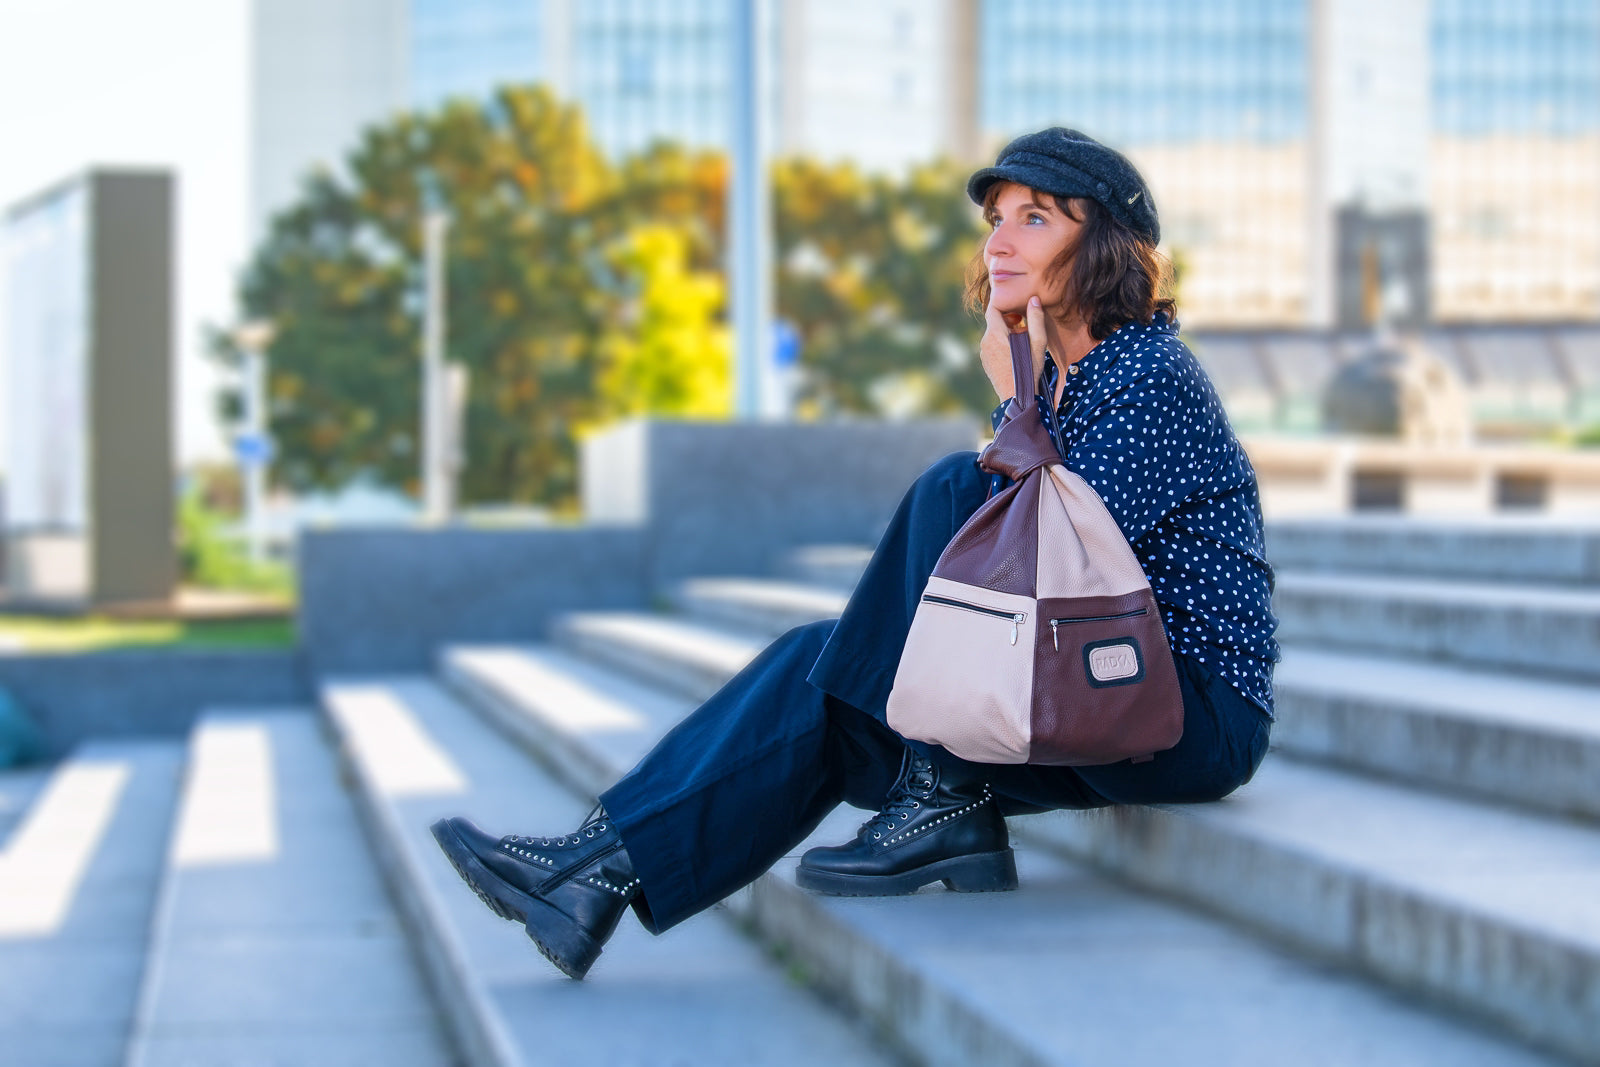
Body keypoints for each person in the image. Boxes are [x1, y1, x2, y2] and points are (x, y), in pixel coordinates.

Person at [431, 127, 1280, 980]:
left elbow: (1054, 557)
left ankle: (943, 793)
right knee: (816, 672)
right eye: (995, 218)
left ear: (1100, 247)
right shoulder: (1057, 384)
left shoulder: (1149, 373)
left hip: (1187, 708)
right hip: (1073, 689)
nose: (998, 241)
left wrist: (1010, 397)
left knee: (958, 488)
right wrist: (1024, 394)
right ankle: (592, 873)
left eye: (1034, 219)